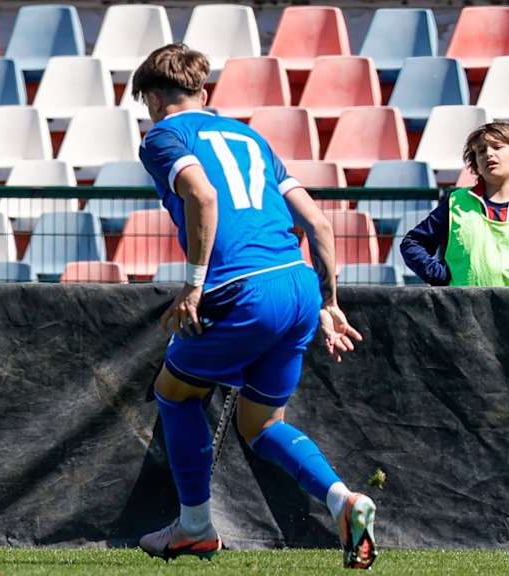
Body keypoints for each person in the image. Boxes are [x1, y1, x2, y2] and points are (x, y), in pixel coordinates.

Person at [131, 44, 375, 569]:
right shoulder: (250, 137)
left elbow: (202, 197)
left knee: (175, 394)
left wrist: (193, 286)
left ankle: (195, 526)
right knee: (260, 424)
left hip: (241, 288)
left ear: (151, 98)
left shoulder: (163, 136)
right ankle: (342, 500)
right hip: (298, 285)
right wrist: (330, 302)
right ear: (203, 92)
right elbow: (320, 224)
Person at [400, 121, 509, 287]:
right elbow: (412, 243)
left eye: (497, 147)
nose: (488, 154)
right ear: (476, 164)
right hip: (464, 304)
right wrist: (439, 276)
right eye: (481, 151)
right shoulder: (456, 204)